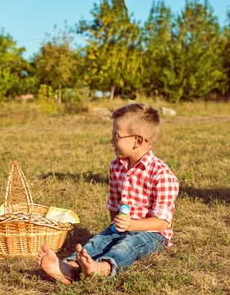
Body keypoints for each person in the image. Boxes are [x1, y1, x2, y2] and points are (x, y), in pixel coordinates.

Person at [37, 103, 179, 284]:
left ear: (138, 140)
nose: (111, 140)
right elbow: (114, 203)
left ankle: (101, 268)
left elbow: (161, 222)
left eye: (116, 136)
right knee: (97, 242)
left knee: (127, 246)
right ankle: (70, 267)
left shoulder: (162, 174)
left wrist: (131, 225)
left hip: (152, 234)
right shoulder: (116, 166)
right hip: (121, 226)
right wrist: (114, 228)